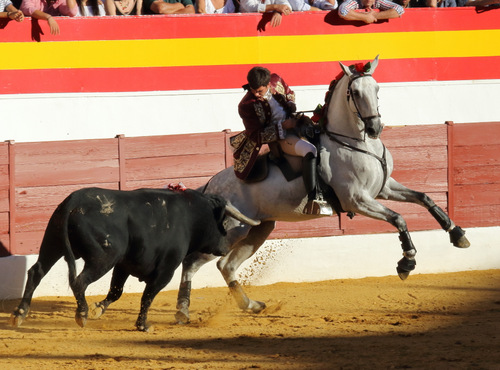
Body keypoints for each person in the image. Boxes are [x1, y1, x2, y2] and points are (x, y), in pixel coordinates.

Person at [231, 67, 333, 216]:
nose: (255, 94)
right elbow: (256, 135)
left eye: (259, 91)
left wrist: (291, 104)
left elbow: (290, 93)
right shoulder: (246, 105)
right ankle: (314, 199)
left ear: (268, 85)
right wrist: (282, 126)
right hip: (282, 137)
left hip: (297, 125)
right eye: (253, 90)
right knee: (310, 150)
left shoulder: (276, 80)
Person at [338, 0, 404, 23]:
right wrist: (364, 17)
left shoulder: (378, 1)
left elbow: (399, 10)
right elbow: (343, 11)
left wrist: (374, 16)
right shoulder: (355, 1)